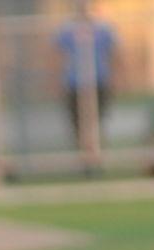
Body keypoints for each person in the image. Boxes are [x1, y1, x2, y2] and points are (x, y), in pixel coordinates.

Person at [56, 2, 116, 150]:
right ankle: (84, 155)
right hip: (74, 82)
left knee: (97, 121)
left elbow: (115, 55)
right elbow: (55, 55)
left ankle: (96, 153)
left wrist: (117, 77)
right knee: (77, 123)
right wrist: (54, 80)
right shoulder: (67, 30)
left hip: (99, 80)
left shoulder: (103, 29)